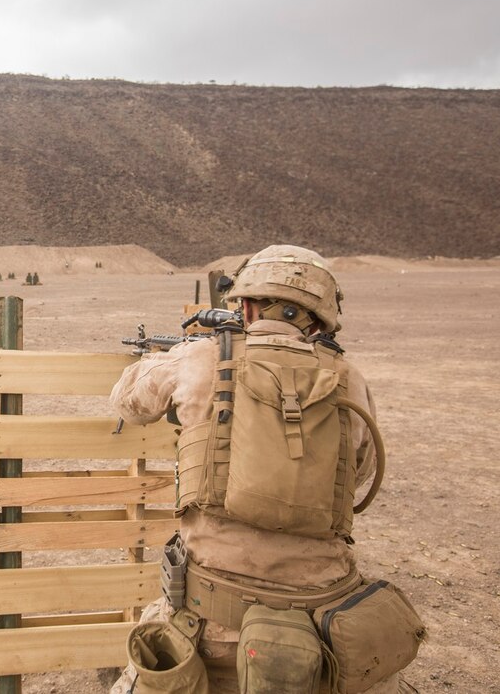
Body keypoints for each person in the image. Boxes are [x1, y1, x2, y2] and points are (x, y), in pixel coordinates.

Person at [109, 245, 423, 694]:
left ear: (248, 304)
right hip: (324, 628)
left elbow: (127, 402)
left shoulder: (201, 358)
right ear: (318, 320)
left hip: (211, 624)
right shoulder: (348, 377)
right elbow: (362, 469)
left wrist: (186, 357)